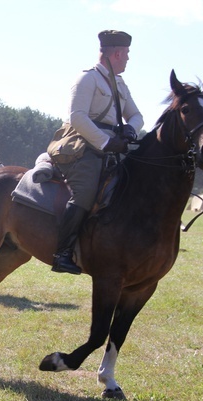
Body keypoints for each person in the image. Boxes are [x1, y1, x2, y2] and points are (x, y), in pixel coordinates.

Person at [49, 30, 143, 275]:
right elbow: (76, 117)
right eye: (127, 54)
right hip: (83, 147)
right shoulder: (87, 79)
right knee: (86, 192)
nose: (129, 60)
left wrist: (131, 131)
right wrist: (105, 142)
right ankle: (62, 254)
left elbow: (136, 115)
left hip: (113, 146)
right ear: (118, 53)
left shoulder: (120, 84)